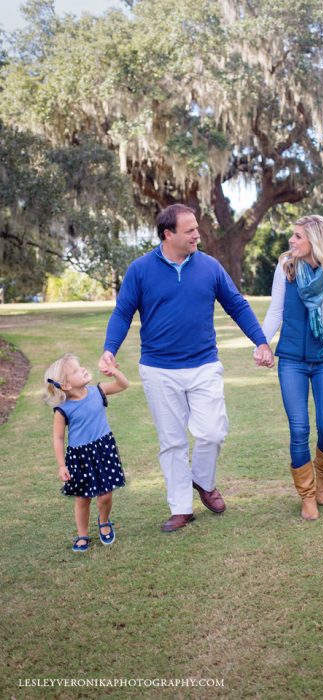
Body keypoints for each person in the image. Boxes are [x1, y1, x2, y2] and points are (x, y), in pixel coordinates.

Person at [99, 203, 274, 532]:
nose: (198, 234)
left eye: (197, 228)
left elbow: (236, 303)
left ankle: (202, 481)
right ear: (169, 234)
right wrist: (110, 350)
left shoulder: (209, 266)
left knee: (213, 432)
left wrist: (260, 341)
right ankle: (181, 508)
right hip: (158, 369)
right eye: (190, 230)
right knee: (173, 442)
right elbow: (123, 312)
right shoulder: (140, 269)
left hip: (204, 364)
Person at [258, 214, 323, 521]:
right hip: (291, 361)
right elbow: (276, 309)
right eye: (293, 235)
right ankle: (307, 495)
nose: (292, 240)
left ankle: (322, 473)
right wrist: (261, 344)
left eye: (298, 236)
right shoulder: (286, 266)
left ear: (316, 240)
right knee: (298, 428)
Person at [44, 353, 129, 551]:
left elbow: (123, 384)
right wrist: (61, 465)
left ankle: (104, 521)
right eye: (75, 371)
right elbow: (58, 438)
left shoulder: (98, 391)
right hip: (80, 457)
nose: (82, 369)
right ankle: (82, 535)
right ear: (65, 385)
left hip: (103, 450)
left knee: (105, 495)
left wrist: (114, 371)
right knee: (83, 499)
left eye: (79, 366)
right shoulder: (62, 409)